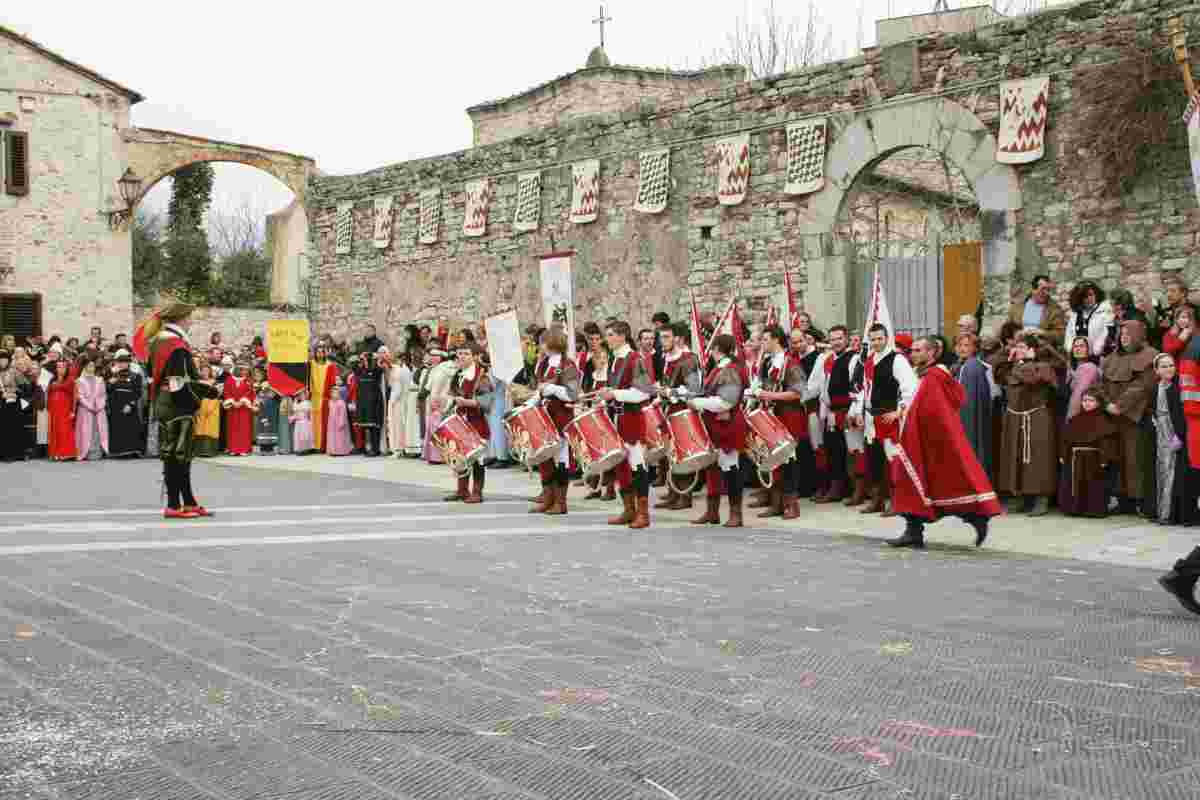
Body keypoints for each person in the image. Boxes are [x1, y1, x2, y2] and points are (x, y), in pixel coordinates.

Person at [887, 335, 1002, 549]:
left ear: (932, 353)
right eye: (912, 350)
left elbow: (937, 410)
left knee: (947, 483)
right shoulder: (919, 374)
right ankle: (913, 531)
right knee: (909, 484)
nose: (914, 354)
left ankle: (977, 517)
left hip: (930, 440)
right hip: (912, 438)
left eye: (919, 350)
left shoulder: (935, 376)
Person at [143, 302, 221, 518]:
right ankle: (173, 505)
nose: (191, 322)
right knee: (178, 456)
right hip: (177, 406)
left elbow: (154, 376)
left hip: (164, 402)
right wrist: (205, 395)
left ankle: (187, 502)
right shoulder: (176, 345)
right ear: (181, 319)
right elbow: (179, 383)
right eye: (189, 318)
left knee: (177, 455)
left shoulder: (157, 341)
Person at [850, 323, 918, 516]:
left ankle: (897, 502)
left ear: (887, 338)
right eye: (873, 339)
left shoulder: (897, 360)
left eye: (880, 338)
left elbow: (910, 387)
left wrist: (899, 411)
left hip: (889, 418)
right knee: (874, 459)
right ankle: (878, 499)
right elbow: (865, 388)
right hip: (872, 417)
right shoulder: (870, 360)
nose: (876, 342)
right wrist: (859, 412)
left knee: (892, 460)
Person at [595, 321, 655, 528]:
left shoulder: (634, 359)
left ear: (622, 336)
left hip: (631, 418)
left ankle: (643, 514)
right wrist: (604, 397)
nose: (607, 339)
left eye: (611, 335)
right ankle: (629, 510)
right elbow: (615, 388)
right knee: (621, 465)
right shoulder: (614, 358)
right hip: (616, 418)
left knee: (637, 465)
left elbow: (643, 392)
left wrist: (615, 394)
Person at [995, 335, 1060, 516]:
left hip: (1036, 416)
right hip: (1015, 417)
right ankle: (1021, 497)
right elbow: (997, 371)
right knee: (1015, 458)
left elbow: (1031, 379)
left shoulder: (1043, 366)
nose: (1019, 350)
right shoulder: (1012, 367)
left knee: (1038, 459)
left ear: (1033, 349)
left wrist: (1029, 360)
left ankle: (1041, 499)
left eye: (1023, 346)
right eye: (1017, 347)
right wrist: (1006, 352)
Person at [689, 334, 749, 528]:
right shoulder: (721, 368)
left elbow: (727, 402)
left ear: (716, 349)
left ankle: (735, 514)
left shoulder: (729, 370)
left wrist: (697, 402)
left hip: (727, 425)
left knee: (730, 468)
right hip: (715, 424)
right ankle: (712, 511)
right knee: (713, 467)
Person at [1100, 320, 1158, 514]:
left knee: (1135, 458)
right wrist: (1107, 404)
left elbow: (1143, 385)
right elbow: (1103, 384)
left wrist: (1120, 405)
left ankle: (1138, 500)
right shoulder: (1110, 358)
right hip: (1112, 415)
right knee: (1118, 458)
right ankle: (1122, 499)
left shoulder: (1150, 355)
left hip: (1135, 416)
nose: (1124, 337)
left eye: (1128, 333)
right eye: (1122, 333)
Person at [751, 326, 807, 519]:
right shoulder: (766, 362)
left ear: (776, 340)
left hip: (789, 415)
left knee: (788, 460)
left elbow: (798, 392)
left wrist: (770, 394)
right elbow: (761, 385)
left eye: (765, 339)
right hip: (771, 415)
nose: (762, 343)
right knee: (773, 459)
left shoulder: (791, 363)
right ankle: (776, 503)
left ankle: (792, 505)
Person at [529, 331, 580, 515]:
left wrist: (553, 388)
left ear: (553, 343)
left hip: (560, 416)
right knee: (545, 458)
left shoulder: (567, 365)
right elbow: (540, 390)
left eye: (543, 343)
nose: (540, 346)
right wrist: (528, 404)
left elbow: (572, 394)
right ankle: (548, 498)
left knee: (560, 459)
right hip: (544, 415)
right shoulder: (543, 364)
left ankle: (560, 502)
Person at [1146, 353, 1200, 525]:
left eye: (1171, 365)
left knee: (1176, 472)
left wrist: (1180, 435)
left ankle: (1175, 513)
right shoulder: (1155, 388)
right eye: (1164, 366)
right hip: (1161, 431)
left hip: (1176, 432)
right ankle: (1161, 510)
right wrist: (1154, 420)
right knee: (1161, 469)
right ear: (1156, 370)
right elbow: (1152, 408)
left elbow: (1183, 414)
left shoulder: (1179, 388)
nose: (1169, 369)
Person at [654, 322, 702, 510]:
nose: (662, 341)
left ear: (678, 338)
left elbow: (694, 389)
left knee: (683, 453)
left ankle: (685, 495)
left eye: (666, 337)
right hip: (669, 411)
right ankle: (673, 492)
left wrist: (669, 392)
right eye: (661, 337)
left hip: (684, 411)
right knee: (671, 453)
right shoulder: (666, 358)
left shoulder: (689, 359)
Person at [443, 342, 493, 504]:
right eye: (460, 353)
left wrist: (466, 402)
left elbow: (486, 402)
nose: (462, 357)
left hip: (476, 422)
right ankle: (462, 490)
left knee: (477, 458)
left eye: (466, 354)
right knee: (460, 456)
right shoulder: (458, 374)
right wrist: (445, 403)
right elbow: (452, 395)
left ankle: (477, 492)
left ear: (474, 356)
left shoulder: (481, 375)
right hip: (460, 421)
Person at [1057, 389, 1119, 517]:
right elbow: (1066, 440)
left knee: (1093, 484)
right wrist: (1063, 454)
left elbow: (1106, 442)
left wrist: (1104, 458)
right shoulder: (1075, 419)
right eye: (1085, 400)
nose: (1087, 403)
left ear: (1098, 403)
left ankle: (1093, 509)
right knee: (1075, 484)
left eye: (1091, 400)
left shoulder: (1103, 421)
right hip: (1075, 458)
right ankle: (1074, 508)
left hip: (1094, 459)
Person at [952, 333, 997, 477]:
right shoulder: (961, 366)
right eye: (959, 345)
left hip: (969, 417)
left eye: (967, 345)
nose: (962, 349)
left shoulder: (972, 367)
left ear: (975, 348)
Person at [423, 348, 458, 463]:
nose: (432, 358)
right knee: (449, 428)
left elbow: (430, 387)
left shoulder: (438, 370)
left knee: (436, 428)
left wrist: (433, 401)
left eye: (435, 356)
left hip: (437, 400)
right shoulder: (457, 369)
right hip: (450, 400)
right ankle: (449, 455)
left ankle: (436, 456)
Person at [106, 350, 143, 458]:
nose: (122, 364)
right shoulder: (113, 375)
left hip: (129, 404)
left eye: (124, 362)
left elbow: (138, 393)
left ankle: (131, 450)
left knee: (130, 428)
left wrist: (131, 405)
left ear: (128, 363)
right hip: (116, 405)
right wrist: (109, 383)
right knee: (117, 428)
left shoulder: (136, 376)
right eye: (120, 362)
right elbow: (107, 390)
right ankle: (118, 451)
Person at [1009, 274, 1066, 344]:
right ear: (1033, 289)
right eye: (1043, 289)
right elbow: (1007, 328)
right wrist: (1017, 333)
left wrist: (1042, 332)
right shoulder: (1017, 307)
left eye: (1048, 290)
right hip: (1018, 347)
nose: (1046, 293)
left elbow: (1061, 335)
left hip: (1042, 349)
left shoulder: (1055, 309)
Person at [1063, 280, 1113, 357]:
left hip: (1099, 357)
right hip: (1079, 357)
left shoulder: (1104, 312)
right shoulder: (1075, 316)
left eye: (1091, 295)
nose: (1089, 298)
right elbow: (1069, 337)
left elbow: (1105, 334)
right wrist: (1072, 349)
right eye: (1085, 296)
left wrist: (1096, 350)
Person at [0, 349, 31, 462]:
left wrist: (15, 392)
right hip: (1, 404)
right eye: (1, 360)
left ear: (8, 361)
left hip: (14, 404)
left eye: (5, 360)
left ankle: (17, 453)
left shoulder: (14, 371)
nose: (3, 362)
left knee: (15, 428)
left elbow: (26, 386)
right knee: (3, 429)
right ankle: (3, 454)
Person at [75, 357, 108, 461]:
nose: (92, 368)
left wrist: (99, 406)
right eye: (89, 366)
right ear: (84, 367)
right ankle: (85, 451)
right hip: (85, 410)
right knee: (85, 431)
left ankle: (97, 451)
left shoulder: (100, 380)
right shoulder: (79, 381)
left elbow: (103, 395)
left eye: (93, 366)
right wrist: (89, 406)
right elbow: (80, 396)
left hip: (99, 410)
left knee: (97, 430)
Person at [353, 351, 386, 456]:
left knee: (373, 427)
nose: (364, 361)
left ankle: (375, 449)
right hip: (363, 402)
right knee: (364, 426)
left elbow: (380, 370)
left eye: (366, 359)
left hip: (373, 402)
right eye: (363, 360)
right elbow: (353, 367)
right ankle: (366, 448)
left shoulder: (375, 370)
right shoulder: (360, 370)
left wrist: (376, 359)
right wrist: (360, 357)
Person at [1064, 335, 1101, 422]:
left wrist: (1071, 419)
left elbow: (1078, 395)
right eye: (1075, 346)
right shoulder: (1073, 368)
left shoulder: (1088, 368)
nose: (1078, 349)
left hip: (1082, 417)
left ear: (1089, 349)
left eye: (1082, 346)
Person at [309, 345, 339, 453]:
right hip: (315, 397)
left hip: (326, 396)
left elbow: (333, 380)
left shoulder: (329, 365)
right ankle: (315, 445)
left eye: (322, 352)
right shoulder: (311, 364)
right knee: (315, 421)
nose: (320, 354)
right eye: (318, 352)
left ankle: (324, 445)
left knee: (325, 421)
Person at [45, 358, 76, 462]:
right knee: (55, 431)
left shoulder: (70, 380)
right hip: (54, 409)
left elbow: (74, 396)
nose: (60, 369)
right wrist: (48, 407)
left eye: (63, 366)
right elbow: (48, 393)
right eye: (58, 366)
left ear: (66, 368)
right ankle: (55, 453)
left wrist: (73, 410)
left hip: (65, 409)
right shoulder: (52, 379)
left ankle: (66, 453)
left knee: (65, 430)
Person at [385, 350, 413, 458]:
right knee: (400, 425)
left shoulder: (399, 371)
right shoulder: (405, 369)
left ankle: (397, 449)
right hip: (403, 400)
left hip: (397, 400)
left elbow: (397, 388)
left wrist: (392, 401)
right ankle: (400, 448)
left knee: (395, 425)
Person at [222, 363, 255, 456]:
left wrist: (242, 402)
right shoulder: (229, 379)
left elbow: (250, 393)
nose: (245, 372)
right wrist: (232, 402)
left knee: (244, 428)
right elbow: (226, 391)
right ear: (238, 370)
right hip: (233, 408)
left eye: (246, 370)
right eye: (242, 370)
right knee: (233, 428)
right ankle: (233, 448)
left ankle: (244, 449)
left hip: (244, 408)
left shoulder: (249, 381)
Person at [193, 364, 221, 458]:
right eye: (203, 370)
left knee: (211, 428)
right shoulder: (196, 382)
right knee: (200, 428)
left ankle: (211, 451)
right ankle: (199, 450)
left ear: (210, 371)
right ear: (200, 371)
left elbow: (218, 395)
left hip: (213, 406)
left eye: (207, 370)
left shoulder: (215, 382)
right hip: (201, 405)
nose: (205, 372)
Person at [325, 374, 354, 456]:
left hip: (339, 423)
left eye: (336, 393)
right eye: (332, 393)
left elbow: (343, 414)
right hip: (332, 423)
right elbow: (330, 413)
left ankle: (341, 451)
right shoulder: (330, 402)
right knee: (333, 437)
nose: (334, 395)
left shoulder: (341, 403)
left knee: (340, 437)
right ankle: (333, 450)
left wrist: (341, 422)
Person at [254, 367, 279, 455]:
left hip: (270, 407)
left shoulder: (269, 383)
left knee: (270, 426)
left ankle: (270, 448)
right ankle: (262, 448)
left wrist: (271, 394)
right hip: (261, 407)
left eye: (259, 374)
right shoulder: (255, 384)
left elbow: (275, 394)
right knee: (261, 426)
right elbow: (255, 396)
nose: (257, 375)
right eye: (256, 374)